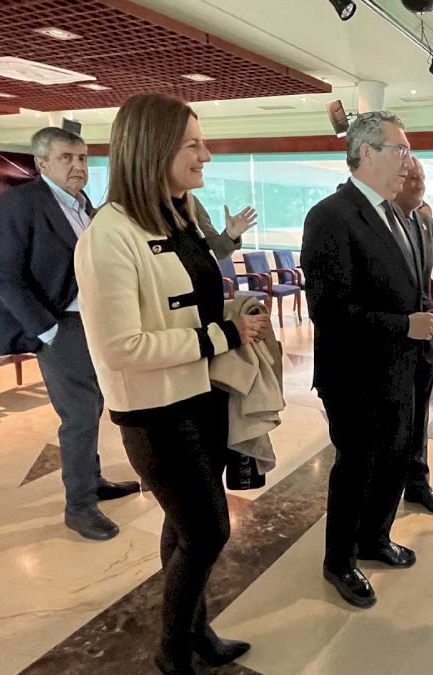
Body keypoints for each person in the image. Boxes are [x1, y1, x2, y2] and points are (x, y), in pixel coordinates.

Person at [74, 93, 266, 674]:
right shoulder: (109, 235)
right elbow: (122, 347)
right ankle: (173, 651)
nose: (205, 156)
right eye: (192, 145)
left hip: (201, 394)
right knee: (207, 532)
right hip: (156, 411)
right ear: (153, 149)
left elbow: (183, 307)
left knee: (181, 526)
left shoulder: (179, 216)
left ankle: (196, 632)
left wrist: (230, 315)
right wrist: (221, 335)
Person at [303, 111, 433, 609]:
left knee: (395, 458)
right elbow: (329, 311)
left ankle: (375, 538)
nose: (408, 160)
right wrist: (404, 325)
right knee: (357, 468)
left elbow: (403, 287)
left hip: (400, 366)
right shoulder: (331, 216)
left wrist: (422, 315)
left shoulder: (397, 213)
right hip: (354, 373)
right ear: (366, 153)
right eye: (400, 149)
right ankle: (339, 560)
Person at [0, 127, 139, 542]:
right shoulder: (22, 202)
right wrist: (48, 330)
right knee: (78, 417)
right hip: (61, 325)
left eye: (83, 158)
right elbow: (3, 275)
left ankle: (93, 481)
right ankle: (79, 507)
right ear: (41, 163)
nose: (77, 166)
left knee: (94, 408)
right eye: (66, 158)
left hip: (95, 323)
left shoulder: (85, 205)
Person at [392, 155, 433, 517]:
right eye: (411, 177)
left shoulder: (426, 224)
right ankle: (388, 491)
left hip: (422, 346)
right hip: (391, 343)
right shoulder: (382, 223)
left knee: (419, 419)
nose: (419, 184)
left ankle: (418, 483)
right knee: (393, 427)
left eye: (423, 177)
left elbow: (421, 286)